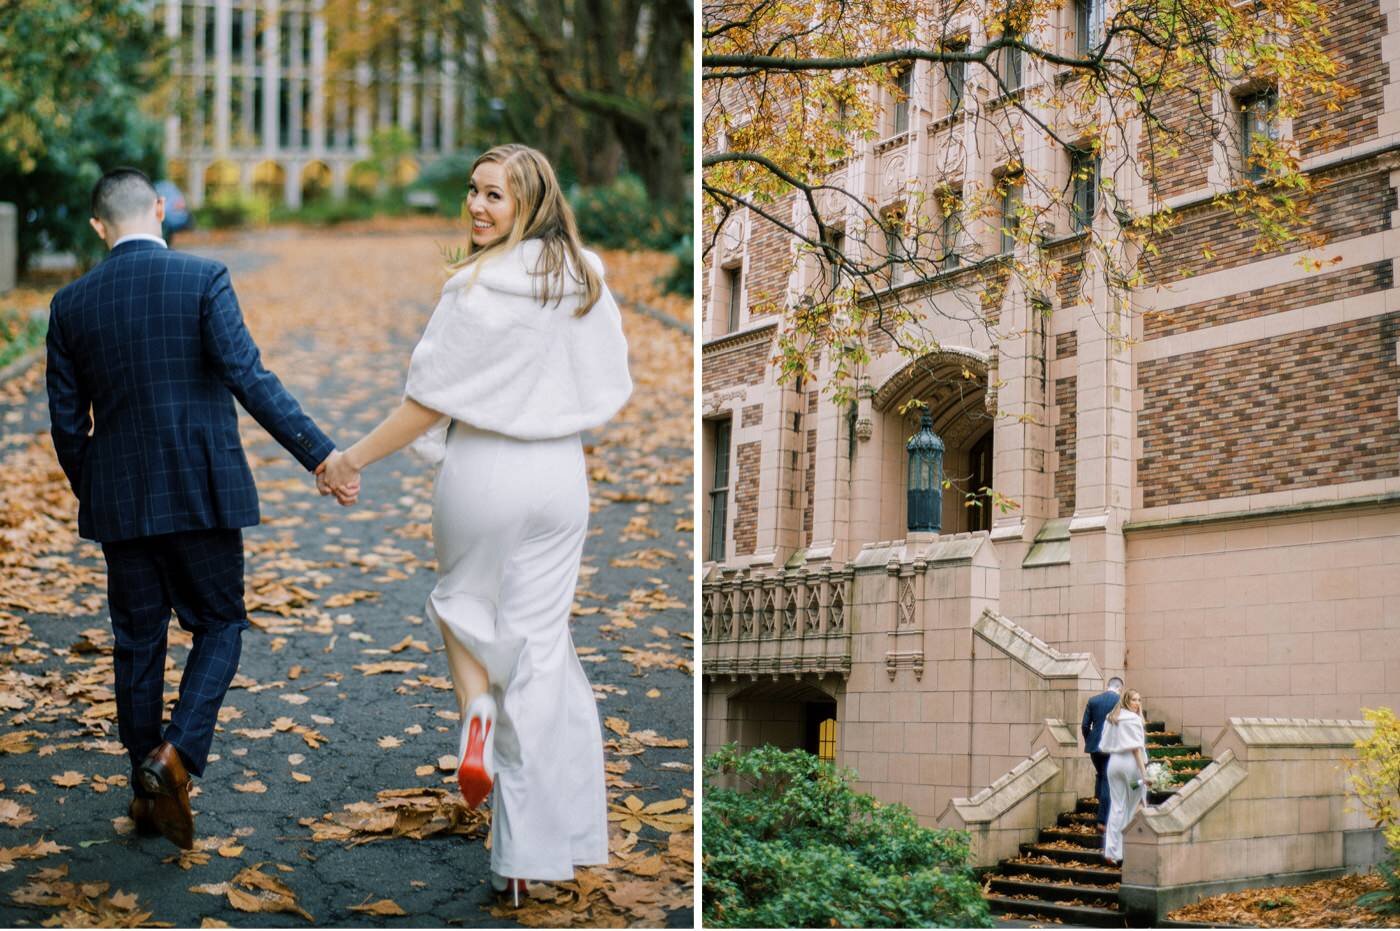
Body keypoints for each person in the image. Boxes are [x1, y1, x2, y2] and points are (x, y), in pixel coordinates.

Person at [319, 143, 632, 905]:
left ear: (530, 201)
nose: (477, 207)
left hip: (484, 469)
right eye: (473, 192)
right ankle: (526, 858)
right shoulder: (583, 276)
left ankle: (477, 713)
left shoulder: (475, 285)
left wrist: (348, 459)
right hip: (560, 477)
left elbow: (427, 402)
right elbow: (608, 380)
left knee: (461, 603)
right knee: (540, 648)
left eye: (495, 195)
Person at [45, 168, 353, 850]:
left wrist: (99, 489)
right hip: (203, 490)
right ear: (160, 210)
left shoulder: (70, 305)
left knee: (137, 640)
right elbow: (248, 376)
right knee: (219, 622)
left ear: (100, 226)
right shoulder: (204, 277)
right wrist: (321, 454)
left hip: (121, 503)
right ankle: (175, 754)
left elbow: (68, 428)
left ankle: (145, 780)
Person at [1099, 687, 1149, 865]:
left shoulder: (1112, 717)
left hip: (1113, 765)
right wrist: (1145, 775)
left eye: (1139, 700)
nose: (1137, 703)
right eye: (1134, 699)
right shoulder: (1133, 719)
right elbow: (1136, 749)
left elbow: (1104, 743)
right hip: (1130, 765)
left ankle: (1112, 851)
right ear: (1127, 701)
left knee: (1117, 807)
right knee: (1132, 801)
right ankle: (1122, 849)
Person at [1081, 675, 1124, 833]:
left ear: (1108, 686)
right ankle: (1102, 820)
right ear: (1120, 688)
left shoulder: (1093, 700)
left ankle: (1098, 806)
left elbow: (1085, 725)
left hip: (1094, 747)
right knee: (1107, 779)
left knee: (1100, 775)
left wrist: (1089, 741)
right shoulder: (1120, 702)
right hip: (1111, 746)